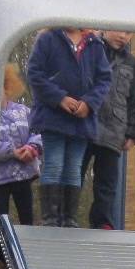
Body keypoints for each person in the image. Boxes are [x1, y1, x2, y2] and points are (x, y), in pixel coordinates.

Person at [25, 27, 112, 228]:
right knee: (54, 163)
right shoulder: (48, 39)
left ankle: (69, 217)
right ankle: (51, 217)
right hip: (53, 116)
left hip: (81, 120)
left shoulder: (95, 44)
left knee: (74, 167)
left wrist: (89, 103)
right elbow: (35, 74)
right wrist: (59, 98)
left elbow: (104, 80)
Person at [85, 30, 135, 230]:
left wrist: (134, 134)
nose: (123, 36)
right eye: (119, 30)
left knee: (107, 182)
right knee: (74, 175)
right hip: (85, 126)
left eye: (129, 33)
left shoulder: (133, 65)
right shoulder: (89, 52)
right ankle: (66, 217)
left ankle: (102, 221)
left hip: (114, 129)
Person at [0, 63, 42, 225]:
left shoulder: (22, 111)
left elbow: (37, 130)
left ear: (6, 88)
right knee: (0, 215)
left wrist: (32, 147)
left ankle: (27, 243)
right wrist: (12, 151)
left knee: (26, 212)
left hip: (23, 172)